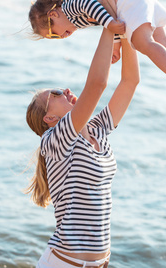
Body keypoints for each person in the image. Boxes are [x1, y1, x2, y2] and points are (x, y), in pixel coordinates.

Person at [25, 22, 140, 267]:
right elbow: (97, 84)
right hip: (64, 263)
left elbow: (130, 82)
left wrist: (127, 31)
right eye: (55, 94)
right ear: (50, 119)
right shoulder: (55, 140)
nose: (65, 90)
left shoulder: (98, 131)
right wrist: (109, 26)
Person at [28, 0, 166, 101]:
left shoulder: (69, 6)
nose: (60, 37)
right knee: (163, 41)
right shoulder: (74, 17)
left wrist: (110, 25)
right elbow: (110, 15)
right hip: (135, 0)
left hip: (128, 3)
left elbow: (90, 5)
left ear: (53, 15)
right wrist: (116, 42)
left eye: (53, 34)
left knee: (143, 43)